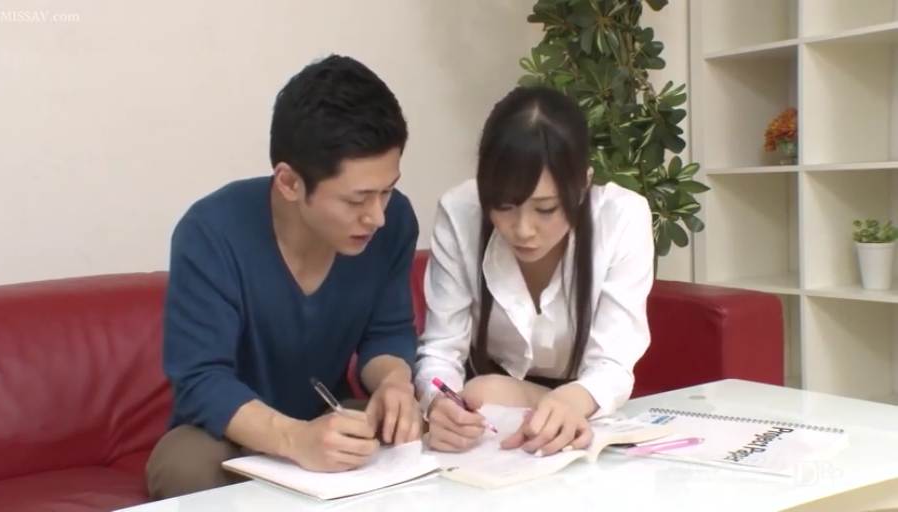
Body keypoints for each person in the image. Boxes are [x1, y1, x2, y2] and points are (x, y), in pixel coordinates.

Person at [145, 55, 422, 500]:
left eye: (387, 190)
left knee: (406, 432)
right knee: (183, 468)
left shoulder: (394, 224)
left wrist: (394, 383)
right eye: (356, 200)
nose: (377, 217)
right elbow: (201, 379)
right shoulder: (210, 232)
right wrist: (294, 439)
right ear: (290, 182)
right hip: (227, 433)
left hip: (328, 416)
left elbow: (387, 333)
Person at [415, 85, 654, 458]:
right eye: (503, 205)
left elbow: (613, 363)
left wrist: (571, 402)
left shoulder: (621, 217)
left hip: (581, 398)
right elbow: (440, 350)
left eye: (545, 209)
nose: (523, 230)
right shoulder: (461, 211)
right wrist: (440, 404)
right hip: (488, 408)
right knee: (482, 392)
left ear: (583, 184)